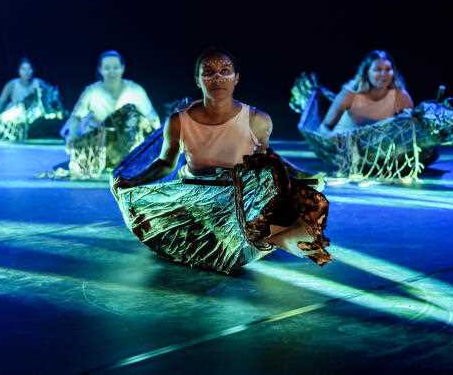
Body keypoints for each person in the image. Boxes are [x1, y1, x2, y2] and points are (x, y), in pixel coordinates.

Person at [112, 48, 331, 270]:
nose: (217, 78)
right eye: (208, 72)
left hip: (239, 196)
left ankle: (249, 235)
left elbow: (265, 162)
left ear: (236, 79)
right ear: (198, 80)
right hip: (195, 196)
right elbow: (166, 163)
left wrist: (301, 178)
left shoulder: (257, 120)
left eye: (225, 71)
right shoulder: (178, 121)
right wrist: (134, 181)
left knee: (284, 190)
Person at [60, 50, 160, 175]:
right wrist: (72, 138)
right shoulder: (91, 91)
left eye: (116, 68)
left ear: (122, 68)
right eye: (107, 68)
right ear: (100, 70)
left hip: (128, 147)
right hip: (100, 146)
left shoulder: (135, 90)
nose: (112, 72)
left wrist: (158, 143)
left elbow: (152, 117)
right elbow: (76, 117)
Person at [320, 50, 413, 134]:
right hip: (343, 143)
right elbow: (324, 126)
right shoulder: (351, 92)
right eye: (378, 69)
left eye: (388, 69)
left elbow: (412, 125)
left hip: (379, 146)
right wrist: (333, 142)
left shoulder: (400, 95)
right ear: (366, 72)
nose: (384, 74)